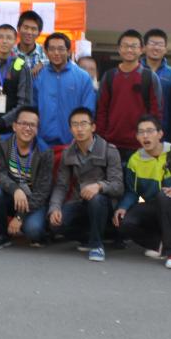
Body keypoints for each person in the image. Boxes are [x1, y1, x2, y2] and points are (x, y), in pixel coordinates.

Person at [114, 115, 171, 270]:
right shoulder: (134, 160)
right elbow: (132, 191)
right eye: (141, 132)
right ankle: (158, 244)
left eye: (150, 131)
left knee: (164, 196)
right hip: (154, 208)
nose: (145, 136)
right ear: (137, 136)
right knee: (123, 221)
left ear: (160, 134)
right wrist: (123, 207)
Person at [48, 107, 124, 262]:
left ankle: (97, 245)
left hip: (105, 203)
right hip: (80, 201)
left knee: (96, 199)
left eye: (84, 124)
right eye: (75, 125)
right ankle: (95, 236)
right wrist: (55, 208)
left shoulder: (109, 150)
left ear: (93, 127)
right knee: (55, 225)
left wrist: (99, 186)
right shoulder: (67, 153)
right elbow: (61, 186)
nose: (79, 129)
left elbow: (118, 186)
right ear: (70, 129)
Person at [0, 107, 53, 249]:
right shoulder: (1, 142)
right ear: (14, 126)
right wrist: (15, 189)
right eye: (23, 123)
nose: (28, 128)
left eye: (32, 125)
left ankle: (43, 230)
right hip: (11, 197)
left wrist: (20, 217)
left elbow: (42, 192)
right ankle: (1, 235)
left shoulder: (45, 152)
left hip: (33, 201)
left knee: (34, 231)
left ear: (37, 129)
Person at [95, 29, 162, 165]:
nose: (129, 50)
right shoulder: (109, 76)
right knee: (113, 178)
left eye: (134, 46)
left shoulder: (149, 77)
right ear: (119, 49)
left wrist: (152, 139)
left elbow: (156, 112)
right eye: (125, 46)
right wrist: (101, 139)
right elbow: (101, 109)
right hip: (111, 144)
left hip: (141, 144)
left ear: (141, 50)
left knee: (138, 179)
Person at [32, 33, 97, 147]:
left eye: (61, 49)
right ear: (46, 52)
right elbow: (32, 108)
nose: (56, 53)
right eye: (52, 49)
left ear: (68, 51)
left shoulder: (82, 77)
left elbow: (88, 110)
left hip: (74, 143)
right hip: (42, 144)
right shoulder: (38, 76)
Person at [0, 24, 31, 164]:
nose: (4, 41)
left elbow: (24, 103)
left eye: (9, 38)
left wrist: (1, 122)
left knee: (4, 168)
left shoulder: (21, 66)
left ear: (15, 41)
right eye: (0, 37)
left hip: (9, 130)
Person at [142, 29, 171, 142]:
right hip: (138, 131)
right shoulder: (136, 70)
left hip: (164, 132)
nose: (156, 47)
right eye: (152, 43)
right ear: (144, 47)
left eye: (160, 44)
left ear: (165, 49)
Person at [14, 10, 48, 74]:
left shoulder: (46, 53)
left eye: (33, 29)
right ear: (18, 29)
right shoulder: (10, 52)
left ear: (39, 33)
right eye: (26, 28)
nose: (29, 32)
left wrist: (43, 63)